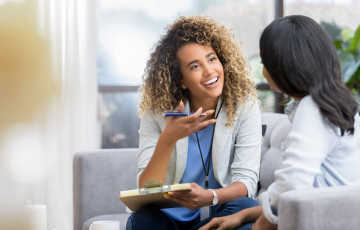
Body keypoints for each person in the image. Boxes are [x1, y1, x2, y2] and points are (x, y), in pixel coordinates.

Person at [200, 14, 360, 230]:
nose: (263, 71)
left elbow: (292, 184)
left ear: (285, 67)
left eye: (266, 62)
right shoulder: (335, 105)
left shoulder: (313, 108)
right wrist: (244, 216)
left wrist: (259, 226)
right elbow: (303, 192)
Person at [126, 15, 262, 230]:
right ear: (181, 79)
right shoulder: (157, 112)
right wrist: (168, 139)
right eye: (195, 66)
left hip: (217, 213)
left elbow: (246, 182)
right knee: (143, 218)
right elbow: (146, 189)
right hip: (169, 219)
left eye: (212, 59)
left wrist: (209, 197)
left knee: (246, 206)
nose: (209, 71)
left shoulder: (244, 105)